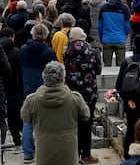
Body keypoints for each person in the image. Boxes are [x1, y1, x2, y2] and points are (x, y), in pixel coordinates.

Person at [21, 61, 90, 165]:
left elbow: (25, 117)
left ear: (44, 78)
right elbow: (86, 116)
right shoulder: (75, 99)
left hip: (44, 151)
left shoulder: (32, 100)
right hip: (68, 152)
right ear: (63, 79)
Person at [63, 27, 102, 164]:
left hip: (72, 92)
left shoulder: (66, 51)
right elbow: (98, 70)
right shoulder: (92, 51)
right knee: (87, 122)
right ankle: (86, 154)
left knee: (72, 123)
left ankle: (73, 153)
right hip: (89, 93)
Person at [20, 23, 57, 163]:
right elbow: (55, 71)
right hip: (45, 89)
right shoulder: (48, 52)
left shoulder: (23, 49)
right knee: (47, 121)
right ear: (46, 35)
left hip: (27, 87)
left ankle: (28, 153)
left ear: (32, 34)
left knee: (28, 120)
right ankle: (46, 151)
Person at [0, 28, 22, 153]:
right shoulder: (15, 51)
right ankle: (7, 144)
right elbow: (10, 69)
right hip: (11, 86)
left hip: (3, 85)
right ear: (11, 37)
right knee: (7, 117)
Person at [98, 0, 131, 66]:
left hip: (107, 38)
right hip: (120, 38)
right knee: (121, 66)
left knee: (106, 65)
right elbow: (127, 25)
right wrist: (124, 34)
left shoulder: (104, 7)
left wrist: (102, 37)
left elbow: (100, 25)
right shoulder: (125, 8)